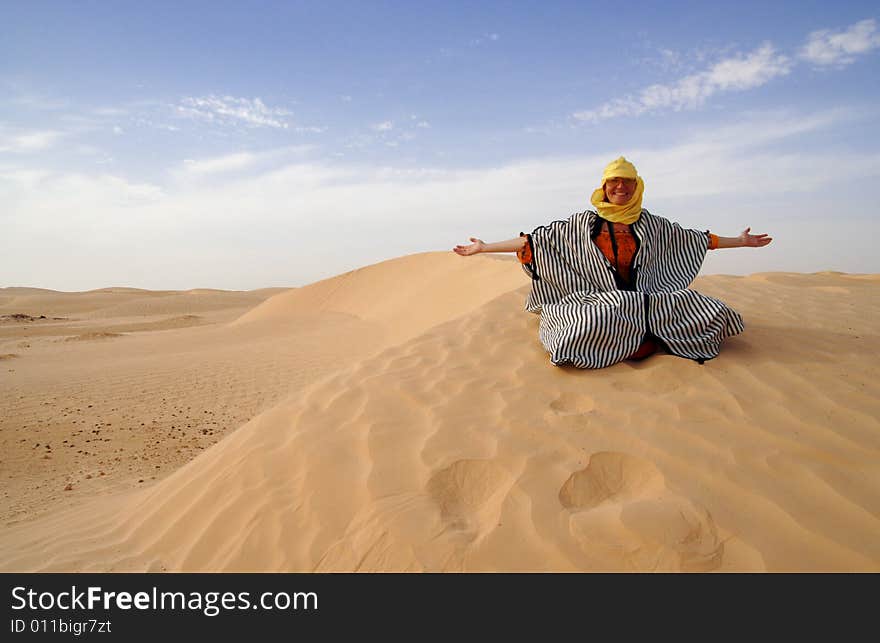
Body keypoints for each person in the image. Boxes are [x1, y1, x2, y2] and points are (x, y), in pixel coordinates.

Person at [453, 157, 772, 368]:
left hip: (647, 297)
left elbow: (696, 239)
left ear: (637, 186)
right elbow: (533, 241)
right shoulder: (580, 224)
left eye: (627, 182)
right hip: (594, 300)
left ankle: (634, 341)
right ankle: (644, 342)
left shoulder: (652, 224)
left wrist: (740, 241)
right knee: (587, 324)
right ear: (604, 187)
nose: (621, 187)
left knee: (708, 310)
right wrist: (484, 248)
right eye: (614, 182)